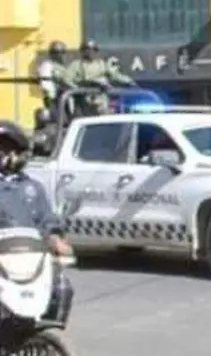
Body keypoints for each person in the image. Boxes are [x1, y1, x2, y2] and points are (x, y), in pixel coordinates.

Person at [0, 121, 71, 258]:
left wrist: (56, 239)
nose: (1, 153)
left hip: (32, 256)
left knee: (60, 280)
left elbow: (48, 221)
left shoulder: (32, 187)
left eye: (5, 147)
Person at [62, 39, 135, 117]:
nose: (90, 52)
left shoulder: (101, 64)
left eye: (93, 50)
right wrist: (79, 89)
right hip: (83, 101)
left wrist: (128, 81)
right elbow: (66, 80)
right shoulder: (76, 65)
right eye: (87, 50)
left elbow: (114, 75)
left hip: (100, 100)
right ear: (82, 51)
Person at [36, 40, 68, 114]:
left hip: (64, 96)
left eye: (62, 52)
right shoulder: (47, 65)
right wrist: (51, 97)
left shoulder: (63, 67)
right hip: (53, 98)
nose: (60, 55)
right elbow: (45, 83)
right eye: (56, 52)